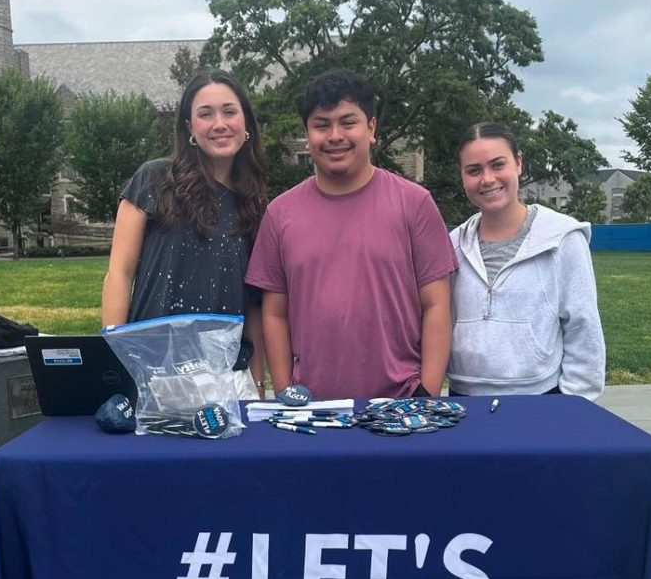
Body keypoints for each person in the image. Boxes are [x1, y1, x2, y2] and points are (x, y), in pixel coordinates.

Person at [245, 69, 455, 400]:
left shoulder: (415, 204)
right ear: (307, 134)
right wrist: (285, 393)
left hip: (401, 403)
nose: (335, 135)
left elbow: (438, 305)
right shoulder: (280, 214)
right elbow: (274, 313)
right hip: (312, 410)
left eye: (348, 122)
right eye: (321, 125)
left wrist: (426, 393)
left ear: (371, 128)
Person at [100, 68, 269, 393]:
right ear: (191, 128)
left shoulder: (255, 204)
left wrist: (258, 383)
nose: (219, 124)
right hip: (154, 373)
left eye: (229, 111)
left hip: (229, 378)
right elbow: (119, 274)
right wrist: (116, 364)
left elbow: (254, 305)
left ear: (245, 122)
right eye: (205, 114)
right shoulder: (153, 180)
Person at [447, 122, 605, 400]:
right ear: (462, 176)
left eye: (498, 165)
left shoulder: (562, 238)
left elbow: (583, 329)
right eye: (474, 170)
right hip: (464, 399)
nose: (487, 179)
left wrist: (574, 407)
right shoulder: (452, 244)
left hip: (540, 400)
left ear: (518, 164)